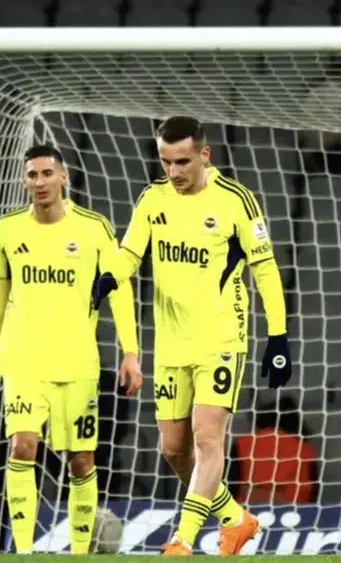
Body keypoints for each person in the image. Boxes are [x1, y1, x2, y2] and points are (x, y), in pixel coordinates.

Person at [92, 116, 293, 556]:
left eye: (182, 162)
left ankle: (182, 540)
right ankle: (235, 519)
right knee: (173, 449)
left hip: (221, 338)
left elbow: (265, 268)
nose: (174, 171)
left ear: (205, 154)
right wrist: (109, 276)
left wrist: (278, 336)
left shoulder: (235, 200)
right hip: (171, 343)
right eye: (166, 162)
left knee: (207, 438)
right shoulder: (153, 199)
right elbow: (131, 252)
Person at [0, 144, 142, 555]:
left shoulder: (94, 228)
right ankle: (24, 551)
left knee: (81, 460)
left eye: (47, 173)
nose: (40, 182)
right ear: (24, 180)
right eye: (32, 175)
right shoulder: (9, 229)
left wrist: (131, 351)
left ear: (63, 177)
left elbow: (118, 289)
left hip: (77, 362)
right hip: (24, 359)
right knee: (22, 446)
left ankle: (81, 553)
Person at [227, 395, 318, 505]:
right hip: (294, 511)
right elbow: (313, 493)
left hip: (247, 509)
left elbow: (230, 485)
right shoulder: (305, 450)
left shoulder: (242, 444)